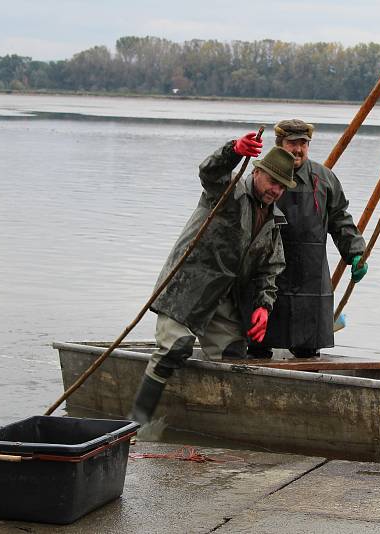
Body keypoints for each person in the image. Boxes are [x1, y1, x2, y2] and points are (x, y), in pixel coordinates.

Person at [129, 132, 296, 424]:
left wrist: (263, 307)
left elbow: (269, 270)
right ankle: (138, 423)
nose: (275, 190)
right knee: (174, 349)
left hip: (222, 299)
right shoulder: (228, 191)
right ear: (256, 172)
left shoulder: (273, 221)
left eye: (282, 187)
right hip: (187, 288)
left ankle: (219, 423)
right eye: (272, 182)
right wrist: (234, 150)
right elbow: (209, 171)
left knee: (235, 357)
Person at [248, 119, 367, 358]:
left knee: (307, 349)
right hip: (267, 272)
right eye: (293, 143)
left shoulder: (324, 179)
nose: (298, 149)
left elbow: (340, 219)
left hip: (311, 278)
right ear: (280, 144)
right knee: (258, 345)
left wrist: (355, 253)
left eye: (304, 143)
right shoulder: (261, 177)